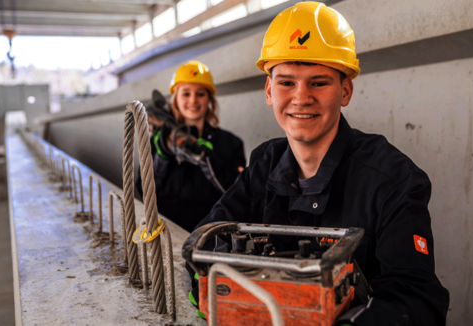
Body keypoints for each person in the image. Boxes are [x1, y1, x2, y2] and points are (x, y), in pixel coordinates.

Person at [191, 2, 449, 325]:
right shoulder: (264, 164)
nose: (301, 97)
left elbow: (416, 302)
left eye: (318, 82)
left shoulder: (393, 180)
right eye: (287, 82)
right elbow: (205, 240)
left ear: (345, 89)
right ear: (269, 90)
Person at [137, 60, 246, 233]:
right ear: (176, 99)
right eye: (186, 94)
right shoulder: (156, 143)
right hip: (168, 235)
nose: (193, 100)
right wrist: (163, 157)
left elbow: (237, 195)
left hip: (213, 236)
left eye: (200, 94)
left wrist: (206, 158)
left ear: (209, 99)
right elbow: (143, 194)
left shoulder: (230, 142)